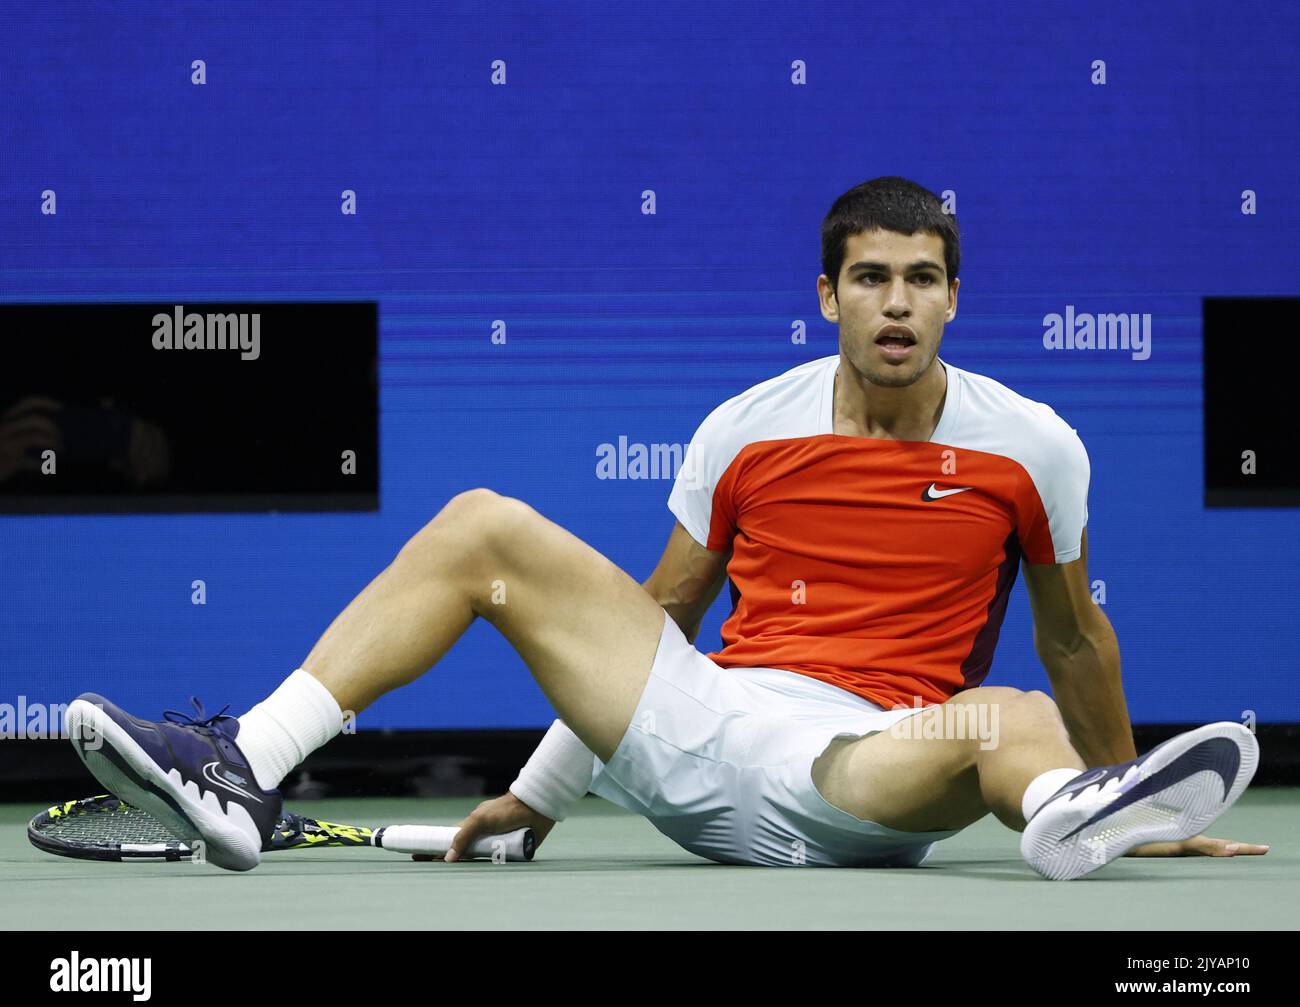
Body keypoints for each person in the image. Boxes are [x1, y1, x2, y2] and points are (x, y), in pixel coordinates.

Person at [65, 177, 1266, 880]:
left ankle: (1080, 808)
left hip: (868, 762)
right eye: (869, 278)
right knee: (482, 526)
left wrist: (1132, 798)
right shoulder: (744, 427)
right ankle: (245, 765)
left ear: (954, 296)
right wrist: (539, 793)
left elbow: (1071, 636)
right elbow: (662, 617)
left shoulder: (1031, 446)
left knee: (1009, 713)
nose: (895, 302)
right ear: (827, 296)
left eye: (920, 278)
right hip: (700, 728)